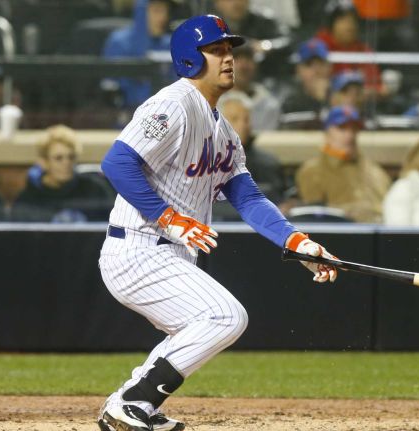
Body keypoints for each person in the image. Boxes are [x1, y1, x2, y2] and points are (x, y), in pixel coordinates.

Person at [96, 15, 338, 431]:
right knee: (225, 316)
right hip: (137, 247)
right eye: (217, 50)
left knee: (197, 328)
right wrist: (169, 218)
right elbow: (117, 162)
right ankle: (134, 400)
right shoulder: (172, 104)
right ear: (191, 59)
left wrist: (297, 240)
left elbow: (248, 196)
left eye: (230, 49)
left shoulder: (222, 129)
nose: (229, 58)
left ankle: (131, 405)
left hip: (166, 252)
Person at [295, 105, 391, 223]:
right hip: (342, 234)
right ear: (327, 133)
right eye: (342, 128)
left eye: (354, 129)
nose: (349, 135)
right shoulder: (313, 171)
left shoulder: (374, 170)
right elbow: (314, 216)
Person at [11, 124, 115, 223]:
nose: (66, 163)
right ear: (43, 162)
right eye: (58, 158)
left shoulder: (94, 191)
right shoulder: (27, 201)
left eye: (71, 157)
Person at [102, 0, 173, 108]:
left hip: (166, 113)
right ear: (141, 12)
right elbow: (109, 89)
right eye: (156, 11)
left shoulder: (171, 44)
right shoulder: (119, 43)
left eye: (165, 11)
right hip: (126, 116)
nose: (163, 18)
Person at [218, 45, 280, 132]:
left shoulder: (269, 105)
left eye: (248, 59)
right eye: (237, 59)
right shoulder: (208, 101)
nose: (243, 66)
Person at [279, 38, 331, 130]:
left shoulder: (341, 96)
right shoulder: (290, 103)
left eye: (321, 64)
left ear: (329, 68)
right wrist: (319, 101)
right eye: (309, 65)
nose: (316, 71)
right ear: (298, 70)